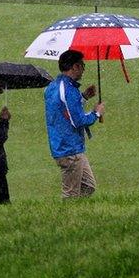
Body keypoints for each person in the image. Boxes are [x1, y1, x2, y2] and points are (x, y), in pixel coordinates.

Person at [44, 50, 105, 198]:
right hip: (69, 148)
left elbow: (65, 110)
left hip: (66, 145)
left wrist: (83, 97)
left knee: (88, 186)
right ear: (75, 67)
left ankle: (78, 213)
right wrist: (96, 113)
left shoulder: (54, 86)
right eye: (82, 65)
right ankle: (69, 218)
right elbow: (78, 121)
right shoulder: (69, 90)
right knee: (70, 194)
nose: (83, 69)